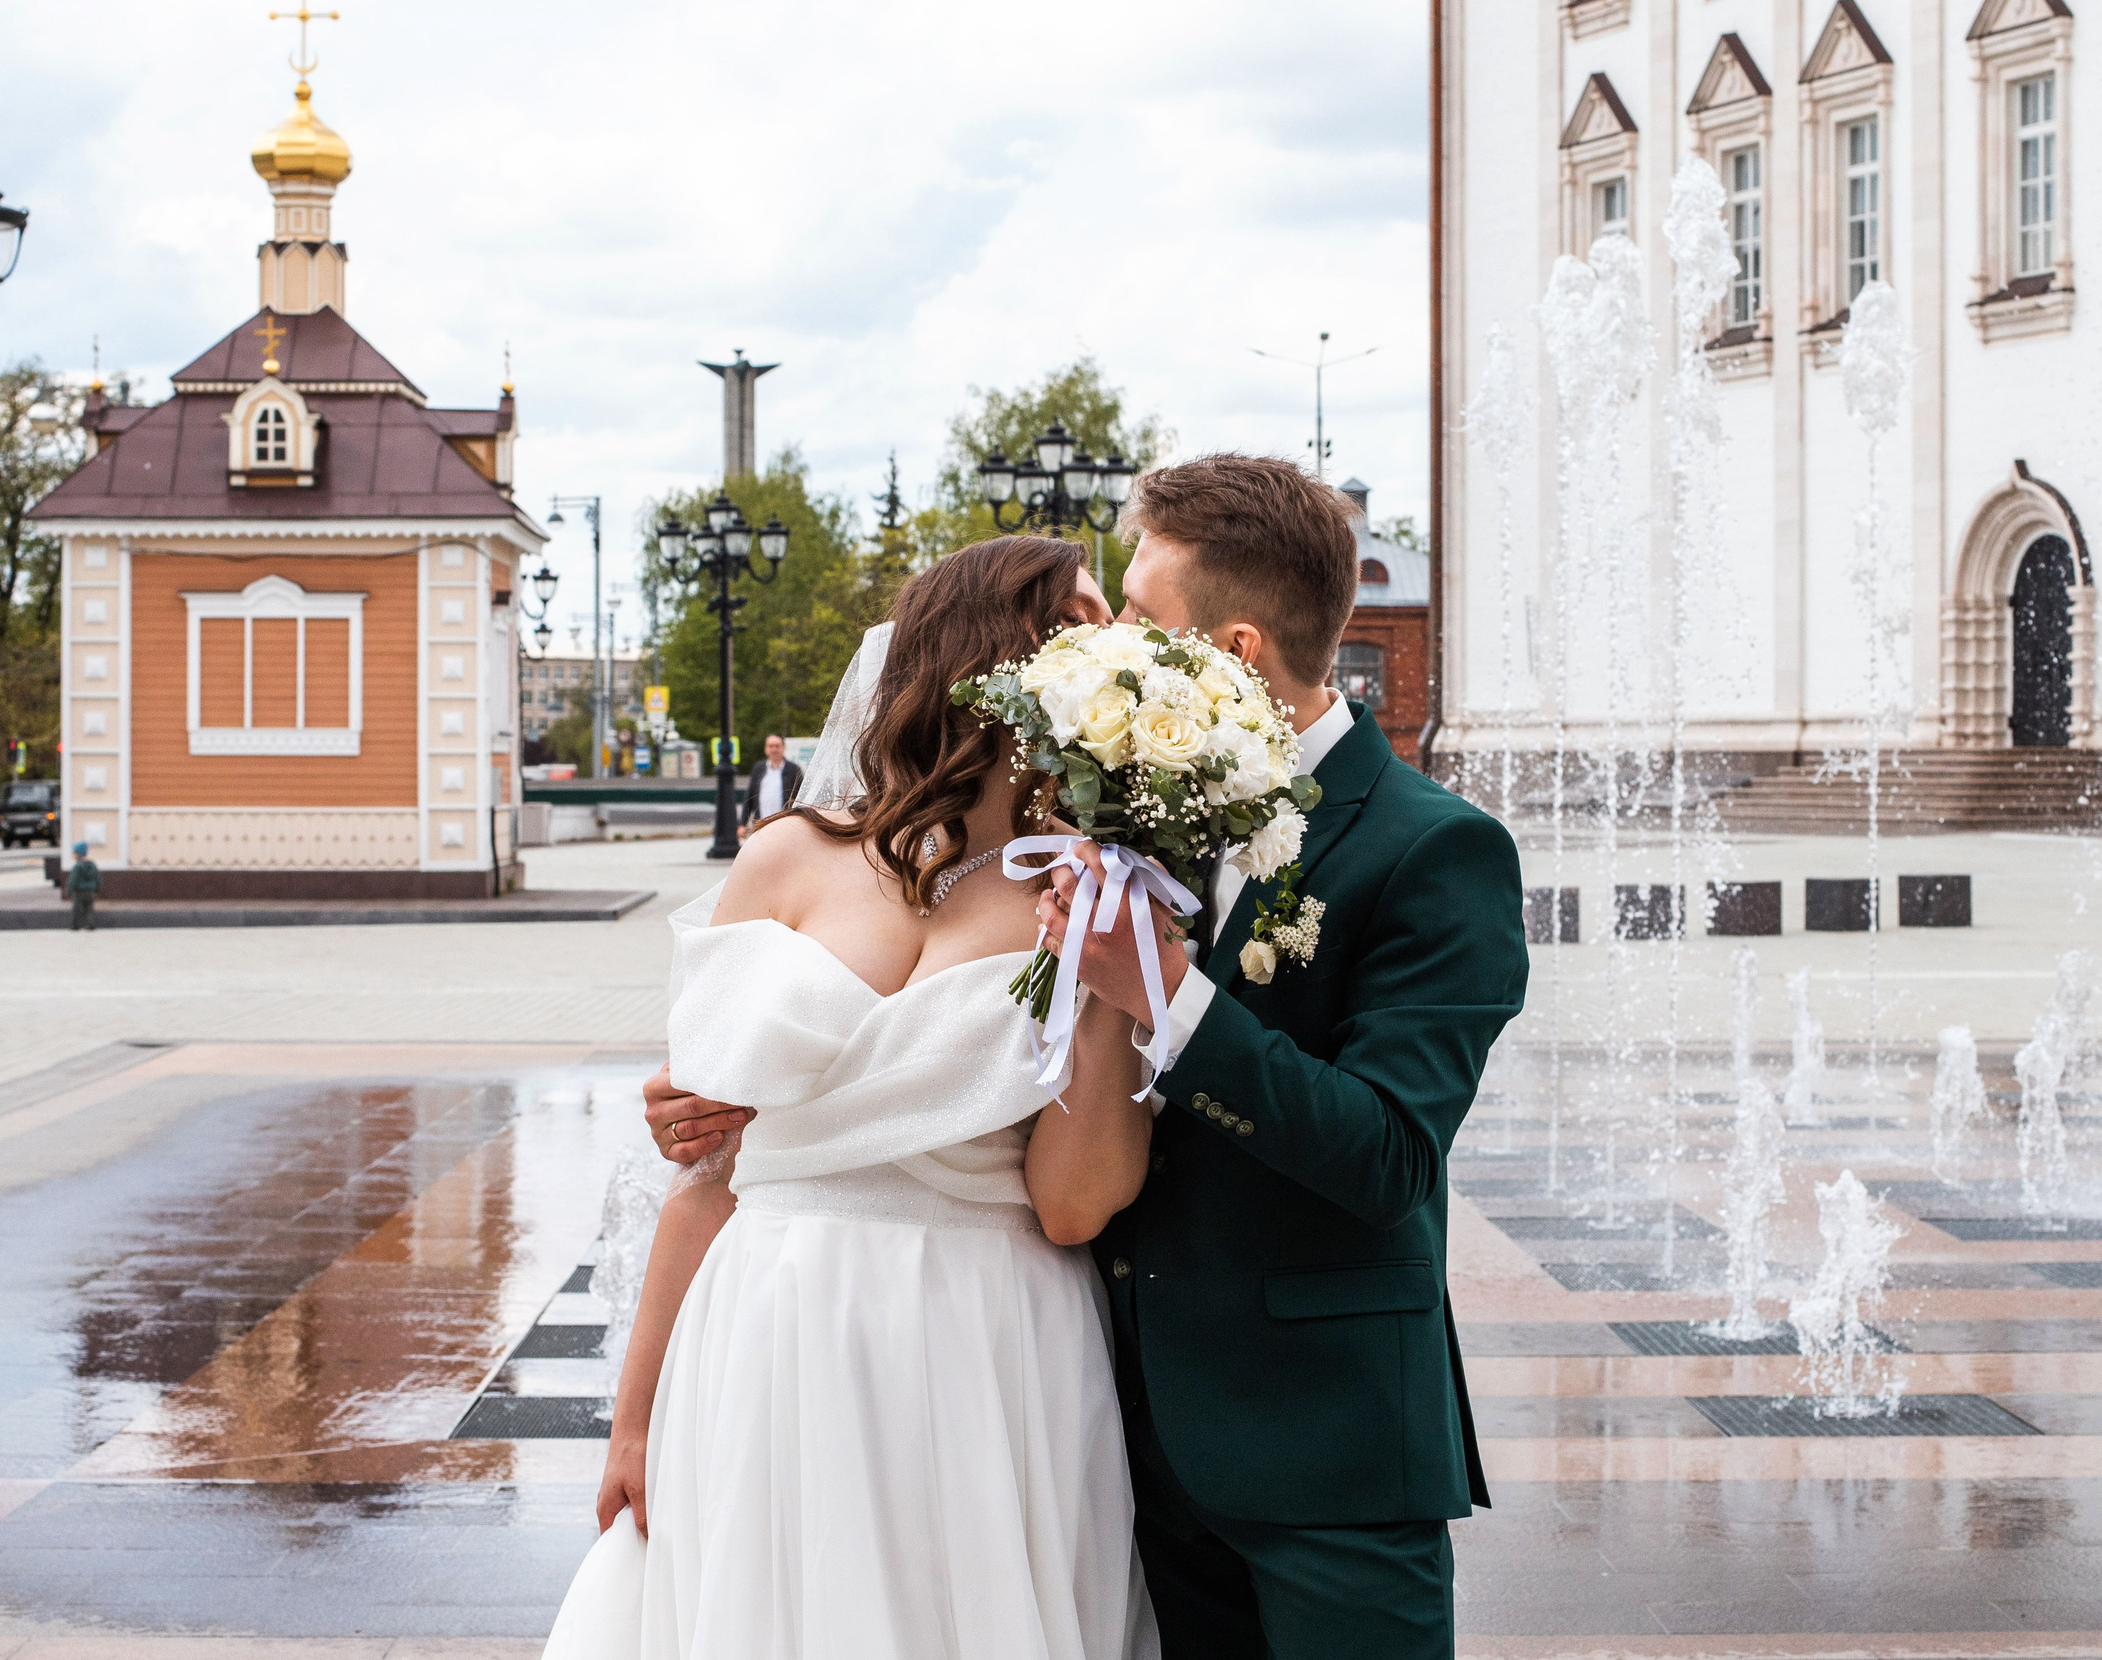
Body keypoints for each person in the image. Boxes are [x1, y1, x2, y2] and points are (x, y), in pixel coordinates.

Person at [650, 454, 1529, 1660]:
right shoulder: (1106, 823)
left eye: (1138, 622)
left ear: (1232, 651)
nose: (1106, 648)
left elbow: (1386, 1157)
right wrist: (746, 1095)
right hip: (1108, 1420)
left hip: (1320, 1441)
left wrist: (1167, 995)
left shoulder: (1433, 851)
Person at [543, 534, 1159, 1660]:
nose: (1114, 646)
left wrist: (1116, 984)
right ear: (991, 654)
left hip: (989, 1331)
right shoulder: (785, 860)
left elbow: (1073, 1207)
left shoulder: (1090, 888)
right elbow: (704, 1178)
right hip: (774, 1320)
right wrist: (632, 1420)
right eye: (1078, 621)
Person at [735, 732, 803, 840]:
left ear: (783, 748)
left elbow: (801, 798)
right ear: (766, 749)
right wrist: (742, 824)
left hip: (785, 826)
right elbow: (749, 797)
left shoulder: (793, 770)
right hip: (760, 824)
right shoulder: (758, 768)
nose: (774, 749)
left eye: (777, 746)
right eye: (770, 746)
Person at [64, 841, 101, 932]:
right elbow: (97, 878)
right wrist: (97, 888)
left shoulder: (77, 866)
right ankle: (91, 924)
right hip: (90, 891)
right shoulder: (92, 865)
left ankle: (75, 925)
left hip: (78, 891)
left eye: (74, 852)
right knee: (89, 908)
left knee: (76, 909)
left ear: (78, 854)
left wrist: (69, 890)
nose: (73, 854)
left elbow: (73, 880)